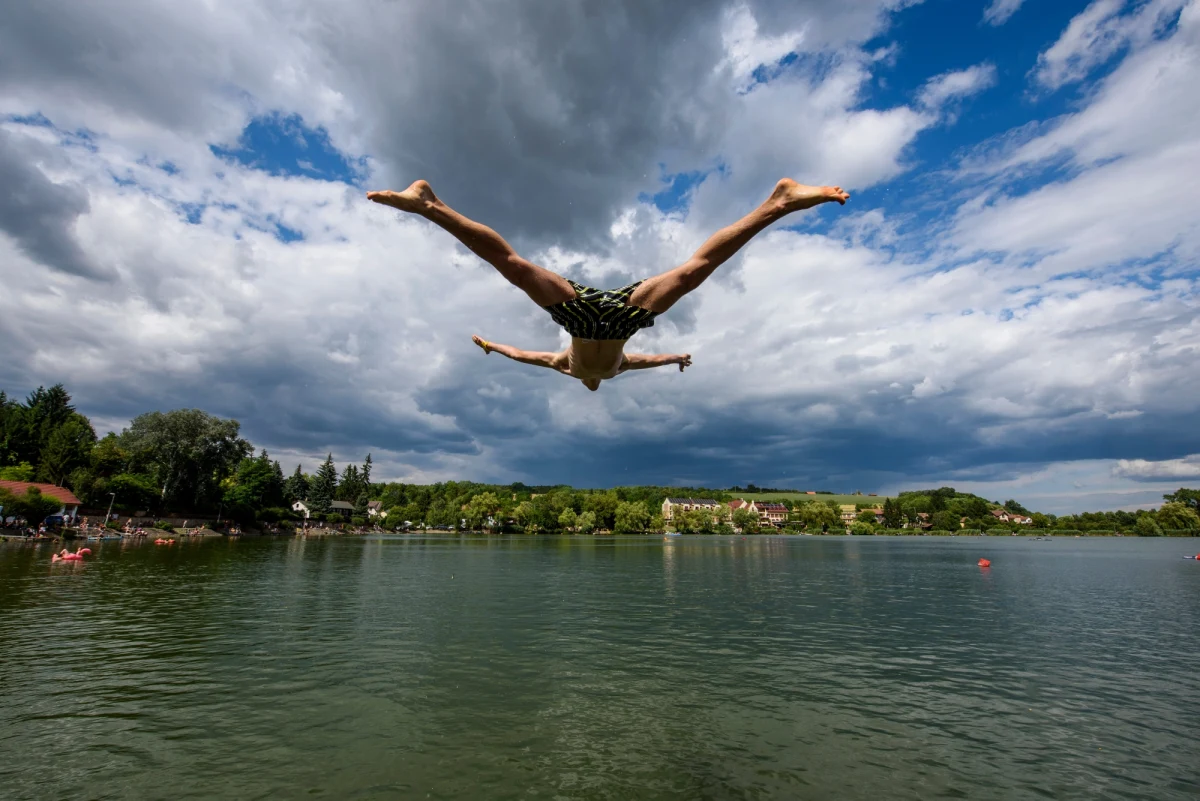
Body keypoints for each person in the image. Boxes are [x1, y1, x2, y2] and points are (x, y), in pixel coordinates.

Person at [367, 177, 849, 391]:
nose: (594, 382)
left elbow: (523, 355)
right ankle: (778, 203)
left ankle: (430, 204)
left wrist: (492, 346)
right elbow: (656, 359)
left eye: (592, 382)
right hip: (621, 320)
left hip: (578, 313)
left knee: (513, 266)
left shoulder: (565, 366)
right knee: (691, 273)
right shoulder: (620, 368)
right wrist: (678, 357)